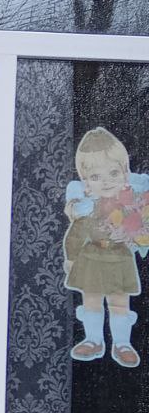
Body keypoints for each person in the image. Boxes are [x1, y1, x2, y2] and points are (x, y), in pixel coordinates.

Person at [64, 126, 149, 369]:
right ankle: (93, 340)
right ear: (86, 182)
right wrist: (71, 258)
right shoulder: (87, 208)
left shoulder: (130, 205)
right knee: (91, 300)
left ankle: (122, 343)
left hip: (120, 258)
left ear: (125, 173)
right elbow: (75, 234)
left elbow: (139, 230)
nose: (106, 182)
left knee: (119, 302)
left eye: (113, 173)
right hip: (91, 258)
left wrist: (134, 233)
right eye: (96, 176)